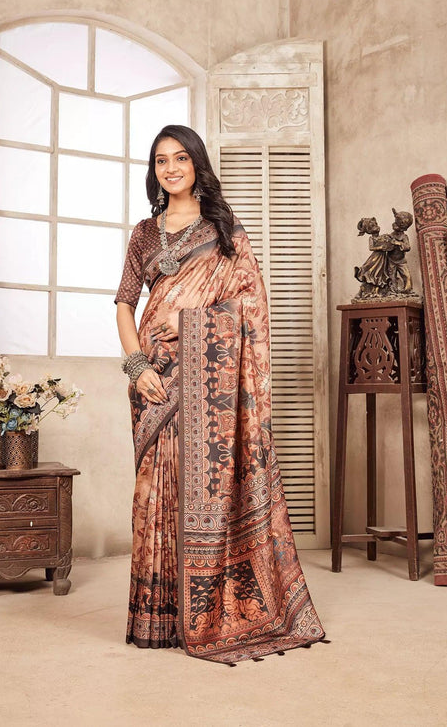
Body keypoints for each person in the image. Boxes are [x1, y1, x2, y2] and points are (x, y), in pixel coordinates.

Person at [115, 125, 325, 664]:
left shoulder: (224, 229)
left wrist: (203, 337)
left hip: (207, 379)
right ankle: (156, 619)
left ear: (197, 164)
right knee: (154, 491)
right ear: (153, 171)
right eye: (161, 160)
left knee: (197, 486)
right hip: (153, 377)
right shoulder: (143, 233)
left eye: (180, 157)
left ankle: (206, 610)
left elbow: (251, 306)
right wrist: (137, 366)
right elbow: (124, 304)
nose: (171, 168)